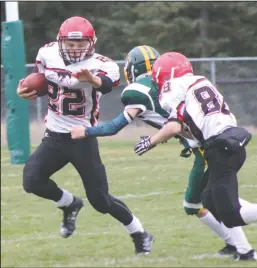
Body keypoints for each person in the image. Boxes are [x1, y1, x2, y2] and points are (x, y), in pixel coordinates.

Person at [71, 46, 257, 259]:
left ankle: (243, 248)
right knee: (206, 200)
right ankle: (240, 248)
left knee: (202, 203)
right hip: (214, 142)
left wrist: (87, 131)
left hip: (208, 148)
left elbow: (116, 126)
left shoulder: (141, 90)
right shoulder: (186, 80)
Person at [16, 16, 154, 255]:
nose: (75, 49)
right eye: (70, 44)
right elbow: (45, 85)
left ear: (92, 43)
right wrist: (26, 90)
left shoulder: (103, 64)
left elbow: (107, 86)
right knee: (32, 181)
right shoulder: (47, 53)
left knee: (101, 201)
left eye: (81, 45)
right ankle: (70, 204)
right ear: (60, 42)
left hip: (82, 137)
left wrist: (91, 79)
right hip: (55, 135)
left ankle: (139, 232)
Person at [133, 51, 257, 260]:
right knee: (208, 198)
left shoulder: (172, 87)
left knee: (232, 215)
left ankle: (247, 248)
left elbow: (174, 126)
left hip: (221, 148)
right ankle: (245, 252)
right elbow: (192, 123)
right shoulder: (200, 81)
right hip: (228, 143)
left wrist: (150, 142)